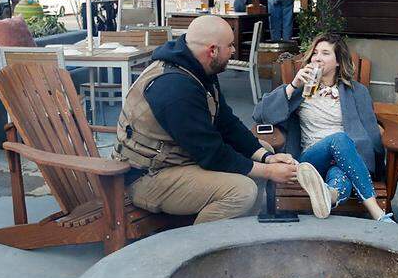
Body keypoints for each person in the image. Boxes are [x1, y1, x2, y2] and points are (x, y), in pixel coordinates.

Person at [113, 14, 299, 223]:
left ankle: (238, 233)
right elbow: (212, 154)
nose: (234, 50)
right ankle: (200, 241)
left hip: (179, 159)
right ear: (213, 51)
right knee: (241, 192)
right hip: (148, 176)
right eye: (230, 45)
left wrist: (267, 158)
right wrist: (269, 171)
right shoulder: (175, 88)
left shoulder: (199, 69)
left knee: (263, 149)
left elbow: (227, 124)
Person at [252, 33, 393, 222]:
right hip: (311, 160)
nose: (317, 58)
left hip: (346, 159)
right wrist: (293, 85)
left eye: (325, 53)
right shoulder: (299, 89)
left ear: (338, 61)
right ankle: (377, 213)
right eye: (315, 53)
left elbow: (371, 133)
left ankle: (328, 196)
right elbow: (261, 114)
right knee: (339, 138)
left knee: (341, 176)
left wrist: (374, 163)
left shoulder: (357, 92)